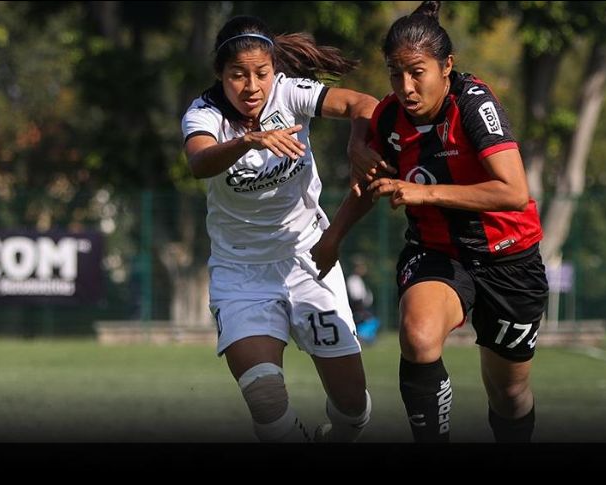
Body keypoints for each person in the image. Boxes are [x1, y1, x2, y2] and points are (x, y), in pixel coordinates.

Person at [312, 1, 548, 442]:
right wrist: (334, 236)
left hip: (509, 258)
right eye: (395, 74)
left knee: (509, 394)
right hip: (437, 252)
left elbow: (513, 193)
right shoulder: (389, 116)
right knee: (418, 337)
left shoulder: (474, 104)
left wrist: (424, 191)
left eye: (417, 72)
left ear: (446, 67)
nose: (406, 87)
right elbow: (372, 183)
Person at [181, 15, 381, 442]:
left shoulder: (289, 94)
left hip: (309, 261)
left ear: (275, 71)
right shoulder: (204, 113)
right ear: (220, 74)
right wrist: (245, 142)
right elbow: (199, 163)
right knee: (267, 399)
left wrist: (355, 143)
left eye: (261, 73)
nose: (251, 86)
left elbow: (364, 104)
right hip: (241, 274)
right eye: (237, 75)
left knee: (351, 406)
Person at [346, 256, 380, 344]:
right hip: (360, 309)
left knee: (373, 321)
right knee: (372, 321)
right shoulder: (353, 280)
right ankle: (361, 338)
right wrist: (362, 312)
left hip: (363, 308)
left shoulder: (358, 279)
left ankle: (364, 337)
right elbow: (356, 298)